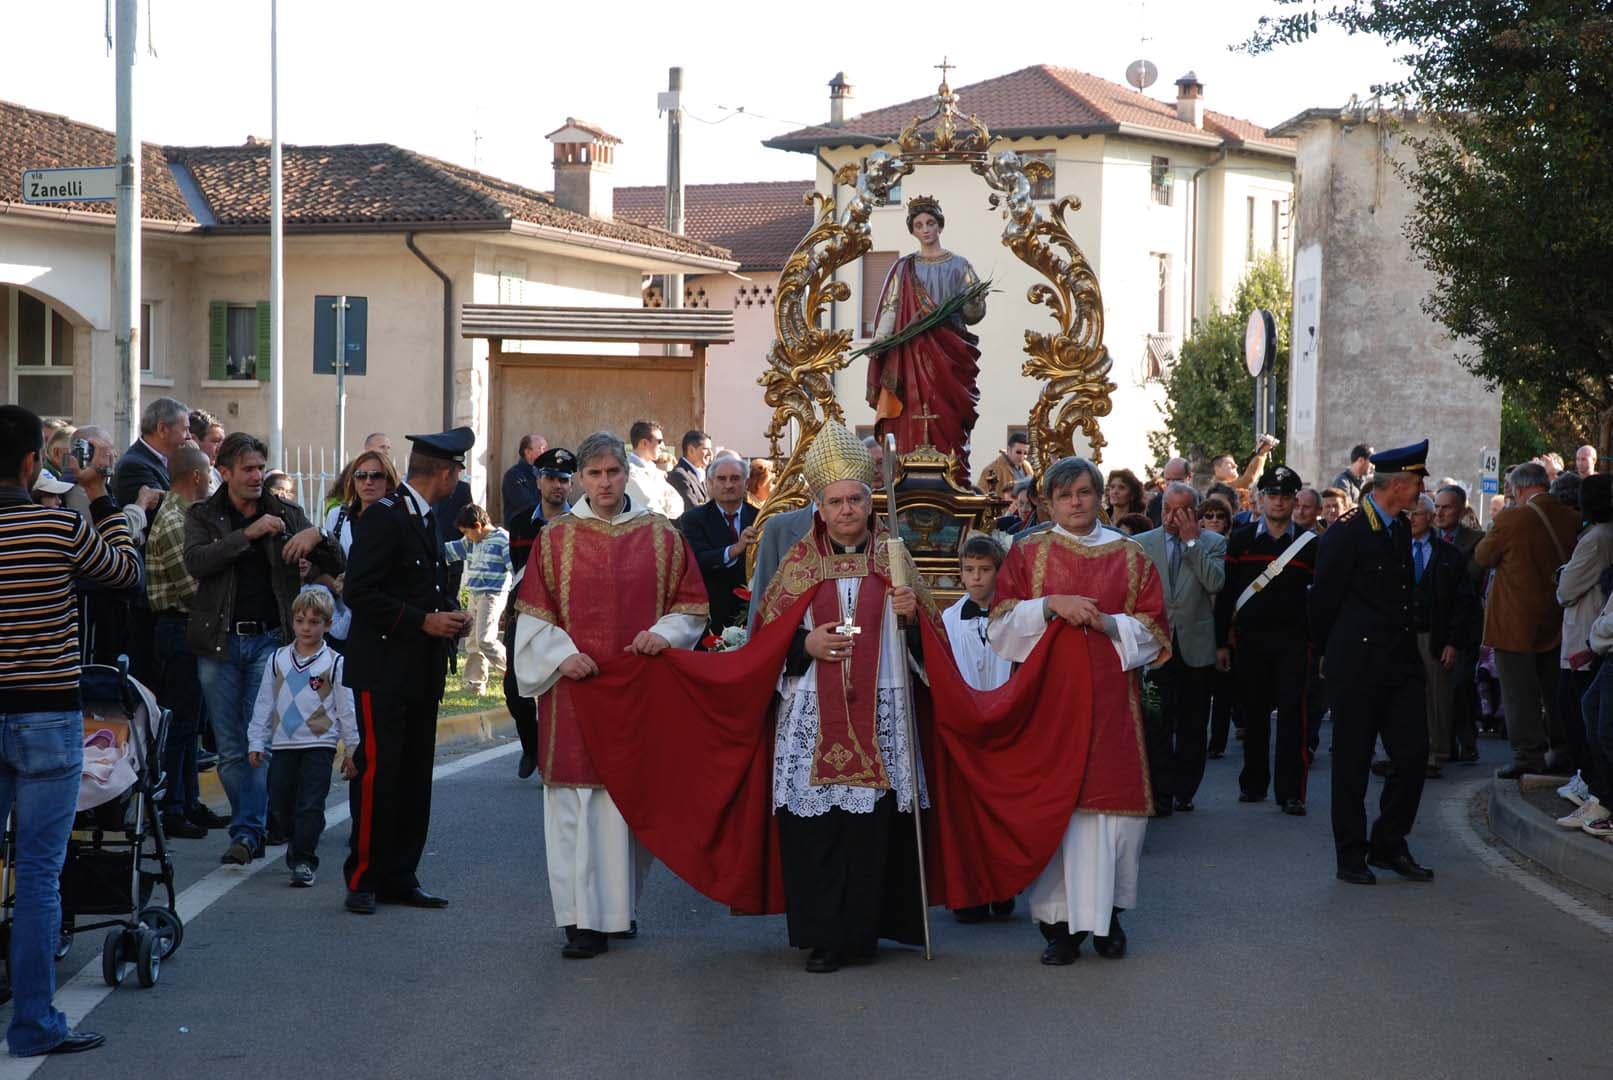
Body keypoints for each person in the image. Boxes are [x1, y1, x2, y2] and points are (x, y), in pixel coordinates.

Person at [511, 432, 708, 958]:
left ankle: (618, 912)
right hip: (575, 691)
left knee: (625, 803)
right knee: (576, 804)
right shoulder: (555, 539)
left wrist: (663, 633)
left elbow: (691, 604)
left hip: (637, 690)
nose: (603, 483)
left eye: (612, 473)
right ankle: (581, 921)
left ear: (626, 474)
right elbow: (532, 612)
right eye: (594, 474)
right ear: (580, 478)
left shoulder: (663, 537)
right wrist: (558, 655)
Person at [0, 404, 139, 1057]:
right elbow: (124, 573)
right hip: (47, 716)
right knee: (37, 872)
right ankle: (33, 1021)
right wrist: (96, 493)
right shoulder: (55, 526)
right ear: (32, 464)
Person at [990, 456, 1168, 964]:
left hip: (1113, 701)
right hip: (1051, 701)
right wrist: (1050, 605)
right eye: (1065, 495)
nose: (1076, 503)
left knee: (1113, 814)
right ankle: (1061, 926)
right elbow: (1000, 622)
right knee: (1061, 810)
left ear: (1100, 497)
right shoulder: (1028, 553)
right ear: (1048, 501)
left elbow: (1155, 630)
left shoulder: (1130, 555)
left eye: (1086, 492)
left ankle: (1109, 916)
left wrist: (1110, 625)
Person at [185, 433, 344, 865]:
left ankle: (248, 832)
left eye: (260, 468)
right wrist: (249, 534)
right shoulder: (203, 514)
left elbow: (336, 562)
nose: (257, 476)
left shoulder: (285, 512)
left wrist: (314, 536)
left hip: (269, 643)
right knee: (231, 746)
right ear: (225, 472)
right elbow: (197, 562)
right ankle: (257, 823)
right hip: (219, 643)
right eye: (248, 469)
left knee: (259, 739)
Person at [340, 428, 475, 915]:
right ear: (444, 472)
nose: (459, 479)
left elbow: (421, 585)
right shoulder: (384, 516)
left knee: (415, 775)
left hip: (421, 667)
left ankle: (401, 875)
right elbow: (359, 591)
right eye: (457, 470)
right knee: (380, 772)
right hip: (384, 668)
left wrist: (452, 614)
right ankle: (364, 876)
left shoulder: (425, 517)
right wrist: (424, 621)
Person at [1312, 441, 1435, 884]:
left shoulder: (1399, 529)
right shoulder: (1346, 533)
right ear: (1396, 484)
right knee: (1352, 764)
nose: (1422, 488)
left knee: (1413, 755)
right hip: (1357, 665)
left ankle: (1389, 842)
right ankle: (1351, 855)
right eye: (1418, 480)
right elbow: (1323, 601)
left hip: (1399, 665)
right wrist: (1326, 658)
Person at [1215, 465, 1316, 815]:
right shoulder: (1242, 540)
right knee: (1254, 714)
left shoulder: (1309, 544)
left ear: (1294, 501)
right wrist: (1221, 642)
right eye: (1272, 495)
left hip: (1293, 640)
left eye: (1286, 496)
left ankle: (1290, 792)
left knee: (1292, 717)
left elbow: (1318, 599)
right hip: (1250, 640)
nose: (1278, 502)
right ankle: (1254, 783)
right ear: (1260, 499)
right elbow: (1226, 593)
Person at [866, 195, 986, 484]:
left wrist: (975, 301)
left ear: (940, 226)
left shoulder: (959, 265)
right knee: (912, 410)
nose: (926, 229)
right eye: (919, 224)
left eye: (931, 223)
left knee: (948, 415)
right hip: (911, 354)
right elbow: (892, 307)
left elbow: (974, 315)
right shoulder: (903, 268)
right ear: (913, 230)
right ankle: (907, 474)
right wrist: (881, 339)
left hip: (949, 353)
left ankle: (953, 476)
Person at [247, 585, 359, 887]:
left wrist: (352, 750)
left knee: (311, 803)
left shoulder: (335, 663)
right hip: (283, 744)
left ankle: (303, 860)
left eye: (314, 622)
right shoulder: (277, 660)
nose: (306, 627)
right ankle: (298, 841)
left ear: (328, 625)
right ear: (292, 621)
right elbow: (264, 703)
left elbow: (346, 710)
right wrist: (257, 741)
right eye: (300, 621)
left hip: (319, 745)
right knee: (281, 802)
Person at [1475, 460, 1581, 777]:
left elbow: (1482, 557)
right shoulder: (1572, 517)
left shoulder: (1512, 519)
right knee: (1554, 690)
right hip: (1557, 619)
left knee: (1519, 693)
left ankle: (1528, 756)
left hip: (1514, 622)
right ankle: (1562, 751)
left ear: (1519, 488)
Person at [145, 443, 227, 840]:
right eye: (209, 473)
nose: (212, 481)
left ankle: (189, 803)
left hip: (188, 628)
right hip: (178, 627)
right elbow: (191, 588)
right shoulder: (176, 522)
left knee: (191, 721)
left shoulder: (186, 516)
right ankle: (173, 807)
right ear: (196, 476)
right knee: (179, 723)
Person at [1137, 483, 1226, 813]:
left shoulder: (1213, 543)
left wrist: (1191, 542)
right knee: (1155, 719)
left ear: (1194, 513)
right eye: (1166, 509)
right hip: (1155, 648)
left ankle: (1184, 789)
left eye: (1179, 510)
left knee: (1192, 723)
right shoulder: (1142, 544)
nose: (1171, 517)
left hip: (1195, 647)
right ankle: (1159, 792)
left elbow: (1214, 582)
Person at [943, 534, 1017, 923]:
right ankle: (970, 892)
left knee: (1001, 810)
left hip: (1005, 722)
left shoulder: (1015, 616)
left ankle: (1003, 885)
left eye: (984, 570)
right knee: (967, 814)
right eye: (968, 570)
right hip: (966, 724)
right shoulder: (950, 618)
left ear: (998, 572)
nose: (976, 578)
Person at [504, 447, 575, 780]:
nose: (556, 485)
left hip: (568, 616)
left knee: (559, 688)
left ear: (571, 484)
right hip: (526, 612)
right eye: (550, 478)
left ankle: (555, 754)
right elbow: (517, 571)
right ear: (538, 482)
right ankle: (531, 746)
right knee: (514, 688)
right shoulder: (520, 523)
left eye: (563, 479)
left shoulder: (581, 523)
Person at [1407, 493, 1480, 776]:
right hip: (1402, 633)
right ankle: (1401, 751)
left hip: (1434, 634)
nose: (1411, 519)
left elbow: (1463, 603)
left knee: (1437, 695)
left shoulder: (1449, 555)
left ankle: (1435, 754)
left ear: (1430, 518)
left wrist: (1452, 642)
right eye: (1408, 514)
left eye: (1417, 513)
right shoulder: (1396, 550)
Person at [1553, 474, 1613, 802]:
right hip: (1595, 630)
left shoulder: (1595, 538)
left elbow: (1565, 590)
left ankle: (1591, 782)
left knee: (1577, 709)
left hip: (1588, 633)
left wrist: (1563, 576)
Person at [317, 448, 399, 645]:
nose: (368, 481)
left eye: (376, 476)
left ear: (388, 481)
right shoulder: (337, 516)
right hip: (341, 617)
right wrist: (337, 586)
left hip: (383, 617)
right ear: (353, 480)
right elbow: (321, 566)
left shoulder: (399, 519)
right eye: (361, 476)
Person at [1434, 483, 1487, 760]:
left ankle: (1467, 741)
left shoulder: (1476, 540)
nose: (1440, 513)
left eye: (1447, 507)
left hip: (1464, 625)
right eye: (1437, 507)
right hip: (1434, 625)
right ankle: (1443, 743)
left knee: (1460, 683)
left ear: (1462, 510)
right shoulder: (1427, 538)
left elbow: (1472, 578)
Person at [679, 455, 759, 634]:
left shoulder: (760, 518)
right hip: (711, 614)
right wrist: (736, 549)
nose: (728, 485)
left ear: (746, 483)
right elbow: (697, 560)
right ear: (710, 482)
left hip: (752, 612)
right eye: (722, 479)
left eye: (735, 479)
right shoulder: (693, 519)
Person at [442, 504, 513, 696]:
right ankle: (475, 682)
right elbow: (450, 550)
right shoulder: (469, 541)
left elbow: (513, 567)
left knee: (485, 639)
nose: (466, 536)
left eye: (467, 532)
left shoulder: (502, 539)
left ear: (478, 526)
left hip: (492, 595)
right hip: (474, 594)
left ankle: (514, 674)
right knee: (473, 640)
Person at [113, 396, 190, 507]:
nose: (189, 437)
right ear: (162, 429)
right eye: (185, 429)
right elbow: (169, 512)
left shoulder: (167, 460)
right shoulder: (134, 466)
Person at [625, 419, 684, 520]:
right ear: (644, 443)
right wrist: (664, 501)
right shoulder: (629, 472)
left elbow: (679, 505)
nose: (663, 446)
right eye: (659, 441)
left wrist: (661, 502)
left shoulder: (655, 470)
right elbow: (651, 509)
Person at [500, 432, 548, 525]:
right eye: (541, 448)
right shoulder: (513, 476)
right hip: (522, 533)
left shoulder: (546, 474)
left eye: (546, 448)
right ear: (528, 452)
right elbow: (527, 505)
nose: (546, 452)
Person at [1210, 434, 1280, 494]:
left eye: (1234, 463)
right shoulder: (1220, 488)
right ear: (1217, 469)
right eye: (1229, 463)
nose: (1235, 466)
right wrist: (1262, 454)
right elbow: (1248, 481)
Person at [977, 432, 1032, 499]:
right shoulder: (992, 469)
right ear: (1009, 450)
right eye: (1018, 452)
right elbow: (982, 497)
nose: (1022, 457)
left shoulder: (1027, 466)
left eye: (1025, 453)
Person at [667, 429, 712, 509]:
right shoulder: (678, 476)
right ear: (691, 450)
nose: (710, 454)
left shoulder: (702, 474)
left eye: (710, 449)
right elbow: (692, 510)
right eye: (705, 449)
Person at [1146, 457, 1192, 525]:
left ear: (1189, 478)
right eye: (1168, 479)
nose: (1171, 484)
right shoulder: (1155, 503)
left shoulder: (1200, 502)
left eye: (1177, 480)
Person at [189, 409, 225, 494]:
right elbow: (173, 506)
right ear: (194, 440)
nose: (221, 448)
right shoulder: (181, 472)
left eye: (222, 442)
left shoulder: (216, 473)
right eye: (215, 441)